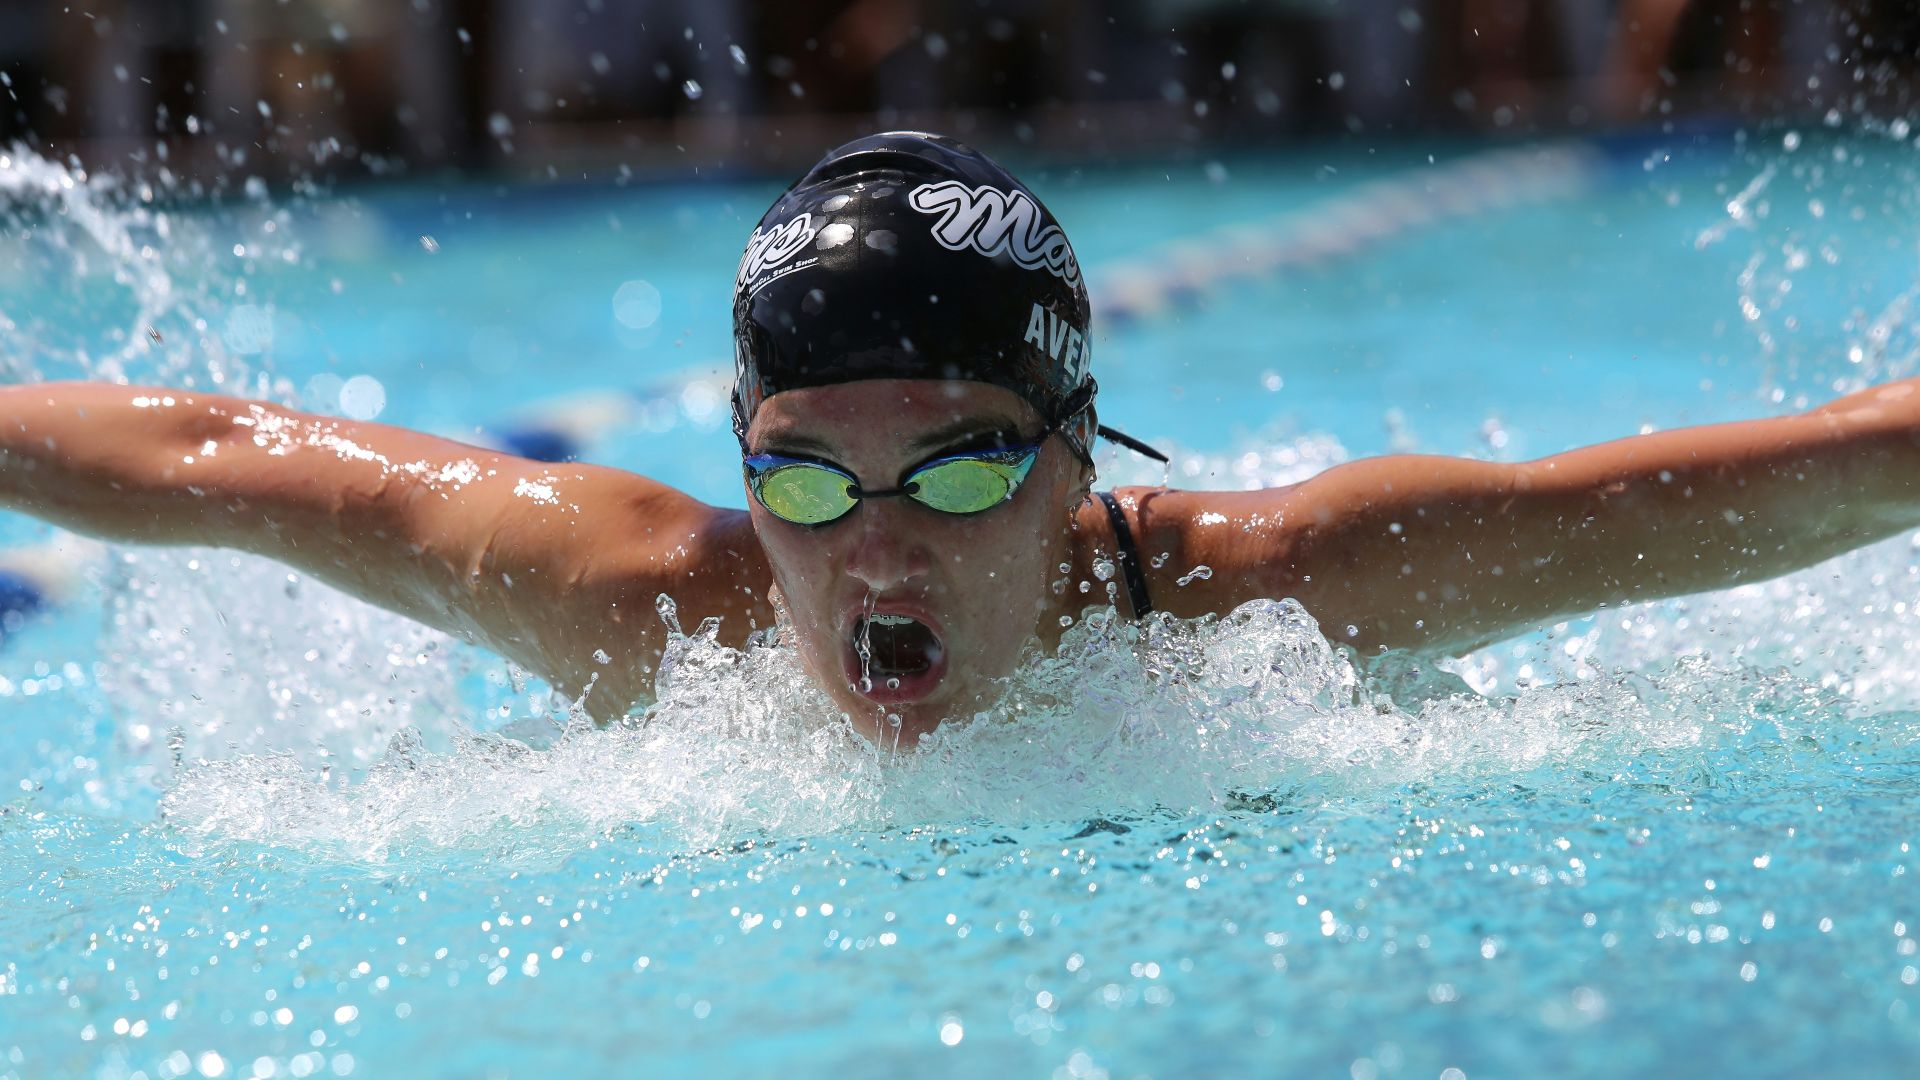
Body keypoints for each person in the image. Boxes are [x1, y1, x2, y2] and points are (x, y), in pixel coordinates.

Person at [3, 131, 1918, 747]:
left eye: (969, 465)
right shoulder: (665, 615)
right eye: (808, 479)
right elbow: (207, 459)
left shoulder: (1271, 603)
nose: (876, 551)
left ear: (1085, 460)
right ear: (745, 458)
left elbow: (1769, 489)